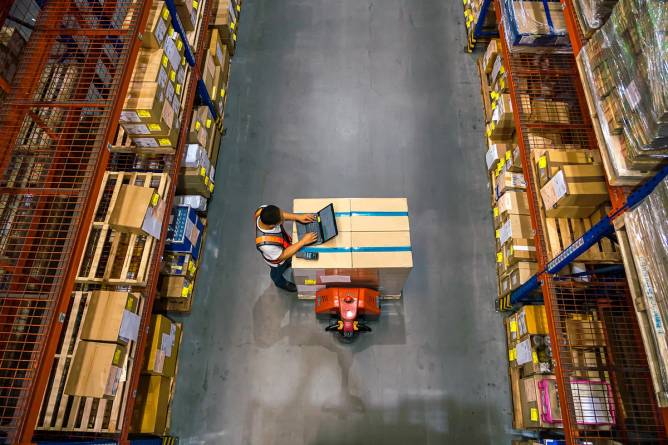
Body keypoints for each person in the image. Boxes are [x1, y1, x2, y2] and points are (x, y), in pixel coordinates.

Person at [255, 204, 317, 292]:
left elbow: (281, 214)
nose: (284, 218)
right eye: (282, 220)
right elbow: (282, 255)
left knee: (290, 261)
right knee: (277, 273)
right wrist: (303, 241)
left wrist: (297, 217)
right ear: (272, 225)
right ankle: (280, 283)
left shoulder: (263, 210)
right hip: (278, 261)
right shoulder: (266, 245)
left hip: (283, 245)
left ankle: (289, 264)